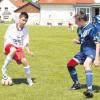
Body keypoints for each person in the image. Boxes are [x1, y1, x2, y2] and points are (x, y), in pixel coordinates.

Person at [67, 11, 98, 98]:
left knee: (86, 65)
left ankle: (89, 90)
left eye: (76, 21)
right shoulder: (80, 29)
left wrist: (96, 58)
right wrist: (77, 41)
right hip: (83, 51)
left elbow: (98, 43)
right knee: (70, 65)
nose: (75, 23)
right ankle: (77, 84)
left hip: (91, 50)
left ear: (81, 20)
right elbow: (82, 40)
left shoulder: (92, 28)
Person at [2, 12, 34, 86]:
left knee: (25, 61)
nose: (24, 22)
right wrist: (4, 48)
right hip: (9, 45)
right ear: (19, 19)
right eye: (23, 20)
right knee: (13, 49)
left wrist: (29, 51)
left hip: (19, 48)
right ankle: (4, 69)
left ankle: (29, 81)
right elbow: (5, 37)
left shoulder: (26, 29)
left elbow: (25, 42)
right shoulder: (12, 26)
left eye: (26, 21)